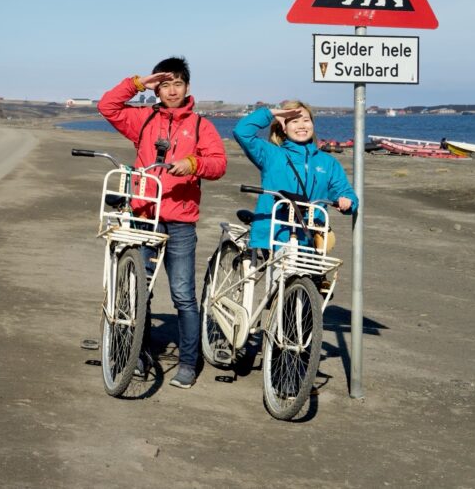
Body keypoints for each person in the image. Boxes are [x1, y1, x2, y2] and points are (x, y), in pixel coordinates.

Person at [97, 56, 227, 389]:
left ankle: (187, 361)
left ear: (188, 87)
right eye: (165, 84)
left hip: (180, 222)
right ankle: (137, 356)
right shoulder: (142, 119)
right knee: (140, 291)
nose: (171, 90)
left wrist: (193, 163)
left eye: (178, 84)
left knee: (183, 294)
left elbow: (218, 163)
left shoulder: (200, 125)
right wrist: (139, 83)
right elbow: (107, 106)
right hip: (144, 217)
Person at [233, 101, 358, 253]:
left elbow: (344, 191)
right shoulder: (271, 154)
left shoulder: (327, 162)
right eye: (294, 121)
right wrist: (272, 113)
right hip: (275, 233)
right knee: (274, 276)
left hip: (311, 235)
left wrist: (347, 201)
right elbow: (242, 131)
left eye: (306, 120)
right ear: (283, 128)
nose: (301, 125)